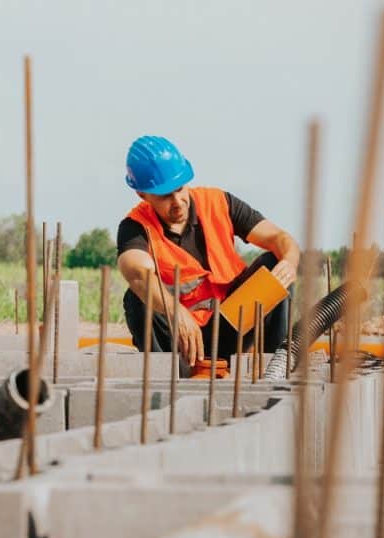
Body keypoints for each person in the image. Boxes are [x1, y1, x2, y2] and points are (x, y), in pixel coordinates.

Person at [115, 135, 301, 371]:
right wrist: (175, 311)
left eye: (180, 189)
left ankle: (274, 369)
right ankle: (169, 379)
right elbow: (138, 273)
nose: (178, 201)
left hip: (232, 323)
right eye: (165, 195)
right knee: (138, 297)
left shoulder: (218, 202)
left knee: (275, 261)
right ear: (142, 194)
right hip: (182, 343)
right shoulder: (135, 227)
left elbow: (280, 239)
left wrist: (290, 261)